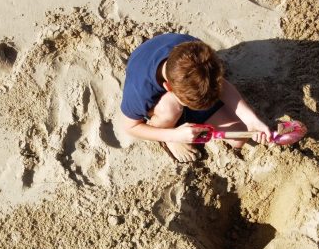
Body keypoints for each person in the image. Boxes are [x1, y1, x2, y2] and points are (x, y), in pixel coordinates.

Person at [116, 33, 275, 163]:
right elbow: (130, 127)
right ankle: (169, 135)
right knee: (170, 108)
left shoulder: (199, 53)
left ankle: (189, 117)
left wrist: (252, 120)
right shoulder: (139, 91)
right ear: (168, 88)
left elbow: (223, 86)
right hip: (162, 101)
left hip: (180, 75)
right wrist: (173, 135)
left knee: (239, 137)